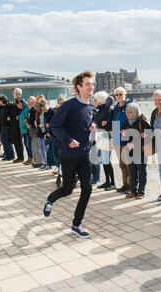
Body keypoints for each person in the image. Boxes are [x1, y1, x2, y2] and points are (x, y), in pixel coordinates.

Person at [43, 70, 97, 239]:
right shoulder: (68, 105)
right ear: (78, 87)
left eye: (92, 84)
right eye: (87, 84)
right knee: (68, 189)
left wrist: (92, 125)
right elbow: (54, 126)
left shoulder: (92, 105)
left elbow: (87, 120)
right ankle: (51, 199)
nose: (91, 87)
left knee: (87, 189)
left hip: (84, 154)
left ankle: (76, 224)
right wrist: (68, 140)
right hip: (68, 155)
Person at [121, 103, 151, 200]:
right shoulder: (126, 122)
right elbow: (125, 136)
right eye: (127, 112)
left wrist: (144, 135)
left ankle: (141, 191)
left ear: (135, 112)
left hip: (141, 151)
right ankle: (133, 190)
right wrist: (124, 136)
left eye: (130, 112)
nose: (128, 114)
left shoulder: (141, 121)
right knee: (132, 171)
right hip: (130, 150)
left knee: (141, 172)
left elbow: (150, 134)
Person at [92, 91, 116, 191]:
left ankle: (113, 183)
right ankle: (107, 181)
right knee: (103, 160)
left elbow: (113, 123)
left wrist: (107, 123)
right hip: (101, 136)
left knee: (106, 160)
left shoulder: (109, 110)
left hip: (108, 137)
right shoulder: (100, 110)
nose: (94, 101)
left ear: (100, 100)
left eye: (95, 99)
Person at [112, 87, 132, 193]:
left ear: (125, 95)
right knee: (122, 164)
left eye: (121, 94)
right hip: (117, 140)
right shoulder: (115, 108)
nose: (119, 96)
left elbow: (135, 120)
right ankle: (125, 184)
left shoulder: (130, 106)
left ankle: (130, 185)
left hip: (127, 139)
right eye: (117, 95)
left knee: (129, 164)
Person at [0, 95, 15, 161]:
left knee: (8, 141)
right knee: (3, 141)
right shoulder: (0, 108)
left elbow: (13, 114)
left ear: (2, 100)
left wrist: (10, 117)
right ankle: (7, 155)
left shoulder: (10, 106)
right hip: (1, 126)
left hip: (7, 126)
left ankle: (11, 155)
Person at [9, 98, 25, 163]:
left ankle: (21, 157)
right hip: (14, 128)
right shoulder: (14, 108)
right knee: (16, 143)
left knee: (19, 143)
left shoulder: (22, 110)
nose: (19, 105)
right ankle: (19, 157)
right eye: (18, 104)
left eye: (20, 103)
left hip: (19, 128)